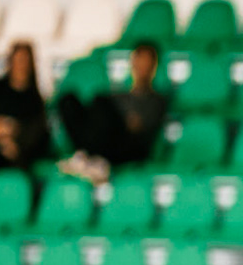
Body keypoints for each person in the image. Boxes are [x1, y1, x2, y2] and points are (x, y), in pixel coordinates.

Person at [58, 40, 168, 178]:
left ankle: (87, 158)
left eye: (147, 62)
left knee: (101, 102)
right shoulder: (118, 94)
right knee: (69, 101)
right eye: (140, 61)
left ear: (154, 66)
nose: (142, 67)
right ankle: (87, 157)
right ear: (133, 63)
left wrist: (120, 119)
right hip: (104, 140)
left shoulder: (157, 100)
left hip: (130, 147)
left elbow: (136, 127)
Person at [0, 41, 51, 178]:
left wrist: (12, 138)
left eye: (25, 61)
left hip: (19, 152)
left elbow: (36, 132)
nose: (21, 66)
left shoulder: (34, 99)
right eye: (18, 60)